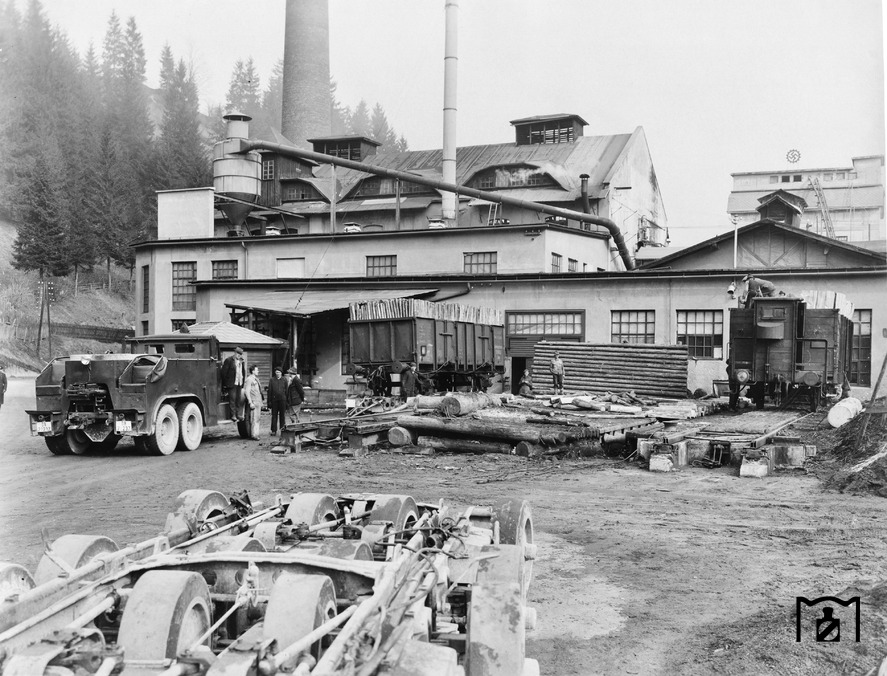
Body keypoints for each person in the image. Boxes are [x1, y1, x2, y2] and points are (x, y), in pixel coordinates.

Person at [221, 347, 246, 422]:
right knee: (232, 399)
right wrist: (225, 384)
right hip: (232, 384)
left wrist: (242, 383)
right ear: (235, 353)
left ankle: (238, 414)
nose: (239, 355)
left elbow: (243, 372)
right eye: (238, 353)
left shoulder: (241, 362)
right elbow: (223, 373)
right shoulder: (229, 360)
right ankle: (233, 415)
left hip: (239, 383)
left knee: (238, 399)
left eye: (240, 354)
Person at [243, 365, 263, 440]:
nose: (258, 371)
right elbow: (247, 391)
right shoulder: (249, 379)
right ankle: (254, 434)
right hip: (254, 401)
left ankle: (256, 433)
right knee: (254, 418)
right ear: (253, 371)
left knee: (257, 418)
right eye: (257, 370)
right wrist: (250, 402)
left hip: (258, 401)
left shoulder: (256, 379)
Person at [267, 367, 288, 435]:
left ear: (281, 373)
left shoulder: (284, 380)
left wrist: (287, 401)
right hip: (274, 400)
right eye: (276, 372)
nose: (277, 374)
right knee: (274, 415)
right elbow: (269, 391)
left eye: (279, 372)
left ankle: (282, 429)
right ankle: (273, 430)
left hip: (282, 400)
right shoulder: (272, 380)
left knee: (282, 415)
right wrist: (269, 402)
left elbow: (287, 391)